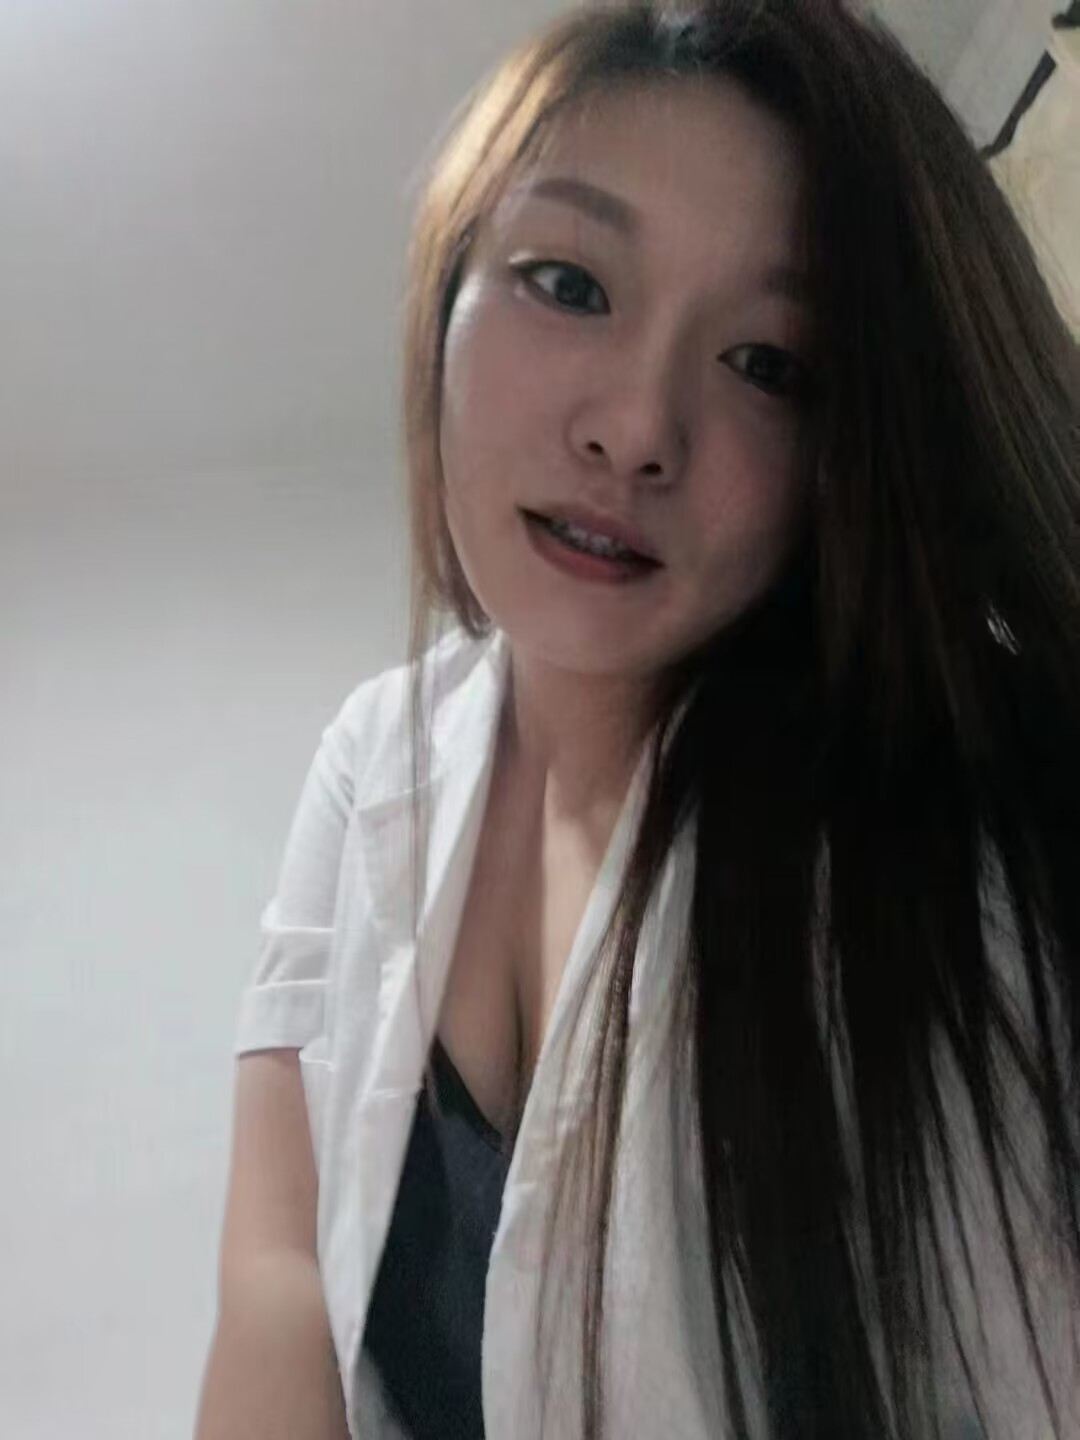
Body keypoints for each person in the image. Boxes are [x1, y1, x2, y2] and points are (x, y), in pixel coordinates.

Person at [194, 2, 1080, 1437]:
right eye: (569, 282)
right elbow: (277, 1285)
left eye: (769, 364)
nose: (638, 429)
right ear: (446, 298)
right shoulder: (372, 761)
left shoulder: (936, 836)